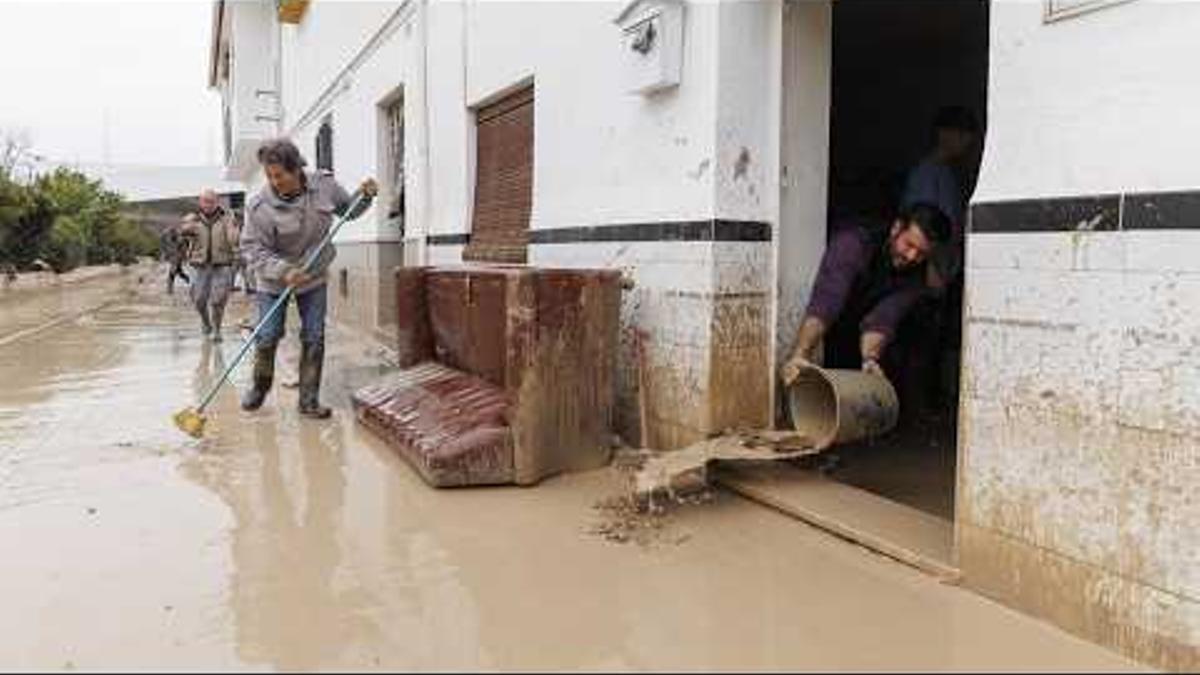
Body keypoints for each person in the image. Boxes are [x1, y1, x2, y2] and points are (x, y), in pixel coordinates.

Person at [239, 138, 376, 419]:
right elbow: (252, 248)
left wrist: (365, 197)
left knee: (314, 335)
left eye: (279, 175)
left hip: (313, 276)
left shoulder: (323, 186)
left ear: (296, 169)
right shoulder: (259, 207)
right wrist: (284, 271)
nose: (274, 182)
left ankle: (309, 400)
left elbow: (348, 210)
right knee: (268, 334)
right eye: (269, 176)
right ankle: (260, 386)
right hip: (274, 280)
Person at [780, 203, 952, 413]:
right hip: (831, 318)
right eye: (909, 245)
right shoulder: (853, 243)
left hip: (855, 327)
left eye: (922, 253)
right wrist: (801, 354)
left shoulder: (916, 277)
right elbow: (827, 301)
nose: (912, 257)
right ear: (896, 228)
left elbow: (883, 319)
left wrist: (870, 359)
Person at [900, 106, 979, 290]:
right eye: (962, 135)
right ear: (943, 133)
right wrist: (930, 268)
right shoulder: (926, 174)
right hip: (928, 273)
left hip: (946, 268)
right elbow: (919, 225)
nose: (966, 142)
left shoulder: (948, 174)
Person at [179, 189, 240, 342]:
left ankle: (217, 330)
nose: (208, 204)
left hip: (222, 264)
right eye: (205, 201)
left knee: (218, 300)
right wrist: (187, 226)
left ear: (217, 202)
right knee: (199, 299)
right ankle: (206, 322)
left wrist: (233, 230)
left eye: (211, 201)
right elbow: (184, 232)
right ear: (200, 202)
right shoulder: (194, 219)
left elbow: (234, 238)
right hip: (199, 265)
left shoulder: (226, 218)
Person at [159, 221, 190, 295]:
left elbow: (185, 246)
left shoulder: (181, 237)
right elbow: (163, 245)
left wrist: (184, 256)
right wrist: (164, 254)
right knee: (178, 270)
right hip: (172, 255)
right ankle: (186, 279)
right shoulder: (165, 234)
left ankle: (170, 288)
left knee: (174, 270)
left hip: (177, 256)